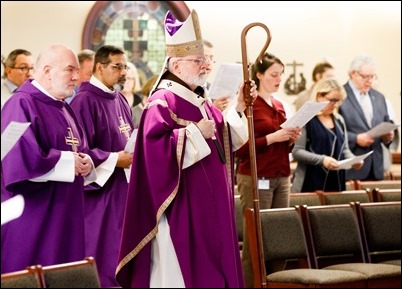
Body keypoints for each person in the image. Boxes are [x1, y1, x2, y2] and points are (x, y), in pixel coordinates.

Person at [116, 9, 257, 288]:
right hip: (182, 205)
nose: (205, 66)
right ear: (176, 65)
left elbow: (224, 137)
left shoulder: (198, 98)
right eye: (198, 60)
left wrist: (239, 106)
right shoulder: (162, 101)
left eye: (206, 60)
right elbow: (153, 153)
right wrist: (193, 133)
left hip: (210, 203)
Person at [1, 44, 96, 274]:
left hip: (65, 213)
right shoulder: (20, 104)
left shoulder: (64, 107)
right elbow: (13, 158)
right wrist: (67, 162)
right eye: (70, 70)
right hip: (34, 217)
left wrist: (86, 161)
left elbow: (79, 148)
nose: (77, 77)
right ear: (46, 71)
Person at [69, 45, 134, 288]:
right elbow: (78, 149)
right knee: (103, 253)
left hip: (123, 188)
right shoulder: (84, 101)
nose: (123, 72)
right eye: (117, 66)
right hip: (100, 194)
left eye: (124, 66)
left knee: (121, 251)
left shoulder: (119, 99)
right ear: (99, 67)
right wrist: (115, 159)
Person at [235, 52, 301, 287]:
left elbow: (282, 140)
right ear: (260, 75)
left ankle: (276, 283)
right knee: (256, 239)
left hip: (281, 174)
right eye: (274, 74)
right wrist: (274, 137)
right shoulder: (248, 106)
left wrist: (291, 138)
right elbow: (241, 147)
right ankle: (252, 283)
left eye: (281, 74)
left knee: (278, 235)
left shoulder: (280, 104)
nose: (279, 78)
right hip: (255, 175)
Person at [291, 77, 363, 192]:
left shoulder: (339, 120)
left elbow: (344, 150)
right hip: (310, 181)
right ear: (319, 96)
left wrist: (354, 160)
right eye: (332, 100)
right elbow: (297, 152)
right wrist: (322, 160)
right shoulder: (306, 118)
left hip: (336, 181)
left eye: (338, 101)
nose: (335, 105)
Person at [339, 54, 395, 181]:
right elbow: (333, 131)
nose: (369, 80)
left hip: (376, 168)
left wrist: (388, 137)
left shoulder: (379, 97)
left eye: (372, 76)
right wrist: (355, 138)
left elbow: (385, 122)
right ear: (352, 74)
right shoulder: (340, 95)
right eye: (365, 76)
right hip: (352, 167)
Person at [203, 39, 231, 111]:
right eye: (205, 57)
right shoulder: (187, 90)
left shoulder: (211, 88)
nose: (209, 63)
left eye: (211, 58)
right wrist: (214, 109)